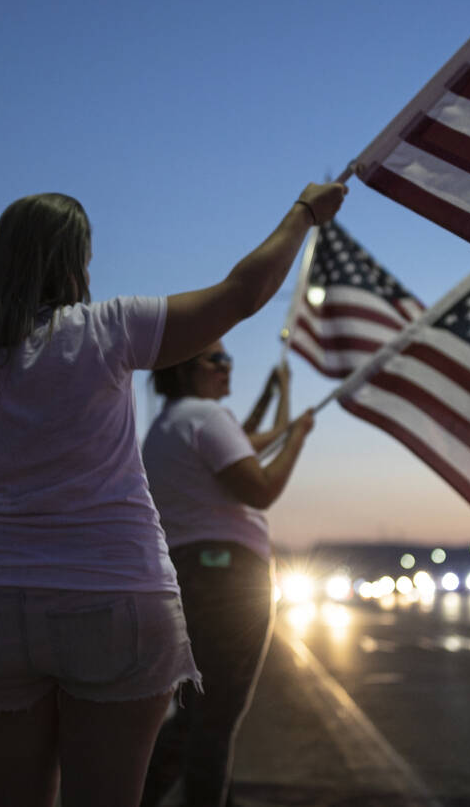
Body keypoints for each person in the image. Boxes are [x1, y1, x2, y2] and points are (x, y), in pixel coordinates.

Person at [0, 182, 345, 807]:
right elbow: (241, 294)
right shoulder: (106, 331)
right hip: (116, 599)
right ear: (74, 263)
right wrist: (303, 214)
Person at [139, 346, 312, 807]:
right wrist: (299, 436)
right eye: (217, 359)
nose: (227, 366)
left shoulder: (169, 424)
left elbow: (246, 440)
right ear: (187, 368)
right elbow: (260, 487)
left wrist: (282, 392)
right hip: (228, 580)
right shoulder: (205, 417)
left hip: (188, 578)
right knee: (215, 721)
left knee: (198, 717)